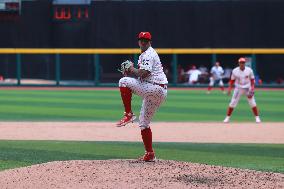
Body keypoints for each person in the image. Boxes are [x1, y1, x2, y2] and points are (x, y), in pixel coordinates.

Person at [116, 32, 168, 162]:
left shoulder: (149, 54)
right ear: (138, 41)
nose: (143, 42)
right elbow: (141, 75)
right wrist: (131, 71)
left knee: (123, 81)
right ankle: (150, 153)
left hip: (154, 88)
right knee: (144, 123)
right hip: (157, 91)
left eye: (146, 40)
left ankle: (128, 114)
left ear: (150, 42)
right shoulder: (145, 55)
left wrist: (131, 69)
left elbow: (143, 73)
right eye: (141, 40)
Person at [223, 57, 261, 123]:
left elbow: (252, 80)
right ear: (239, 63)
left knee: (252, 103)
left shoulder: (249, 70)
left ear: (245, 63)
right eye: (241, 62)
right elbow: (232, 80)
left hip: (247, 87)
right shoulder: (235, 71)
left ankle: (257, 118)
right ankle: (227, 118)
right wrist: (229, 89)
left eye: (243, 62)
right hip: (238, 88)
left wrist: (252, 88)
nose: (242, 64)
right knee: (232, 103)